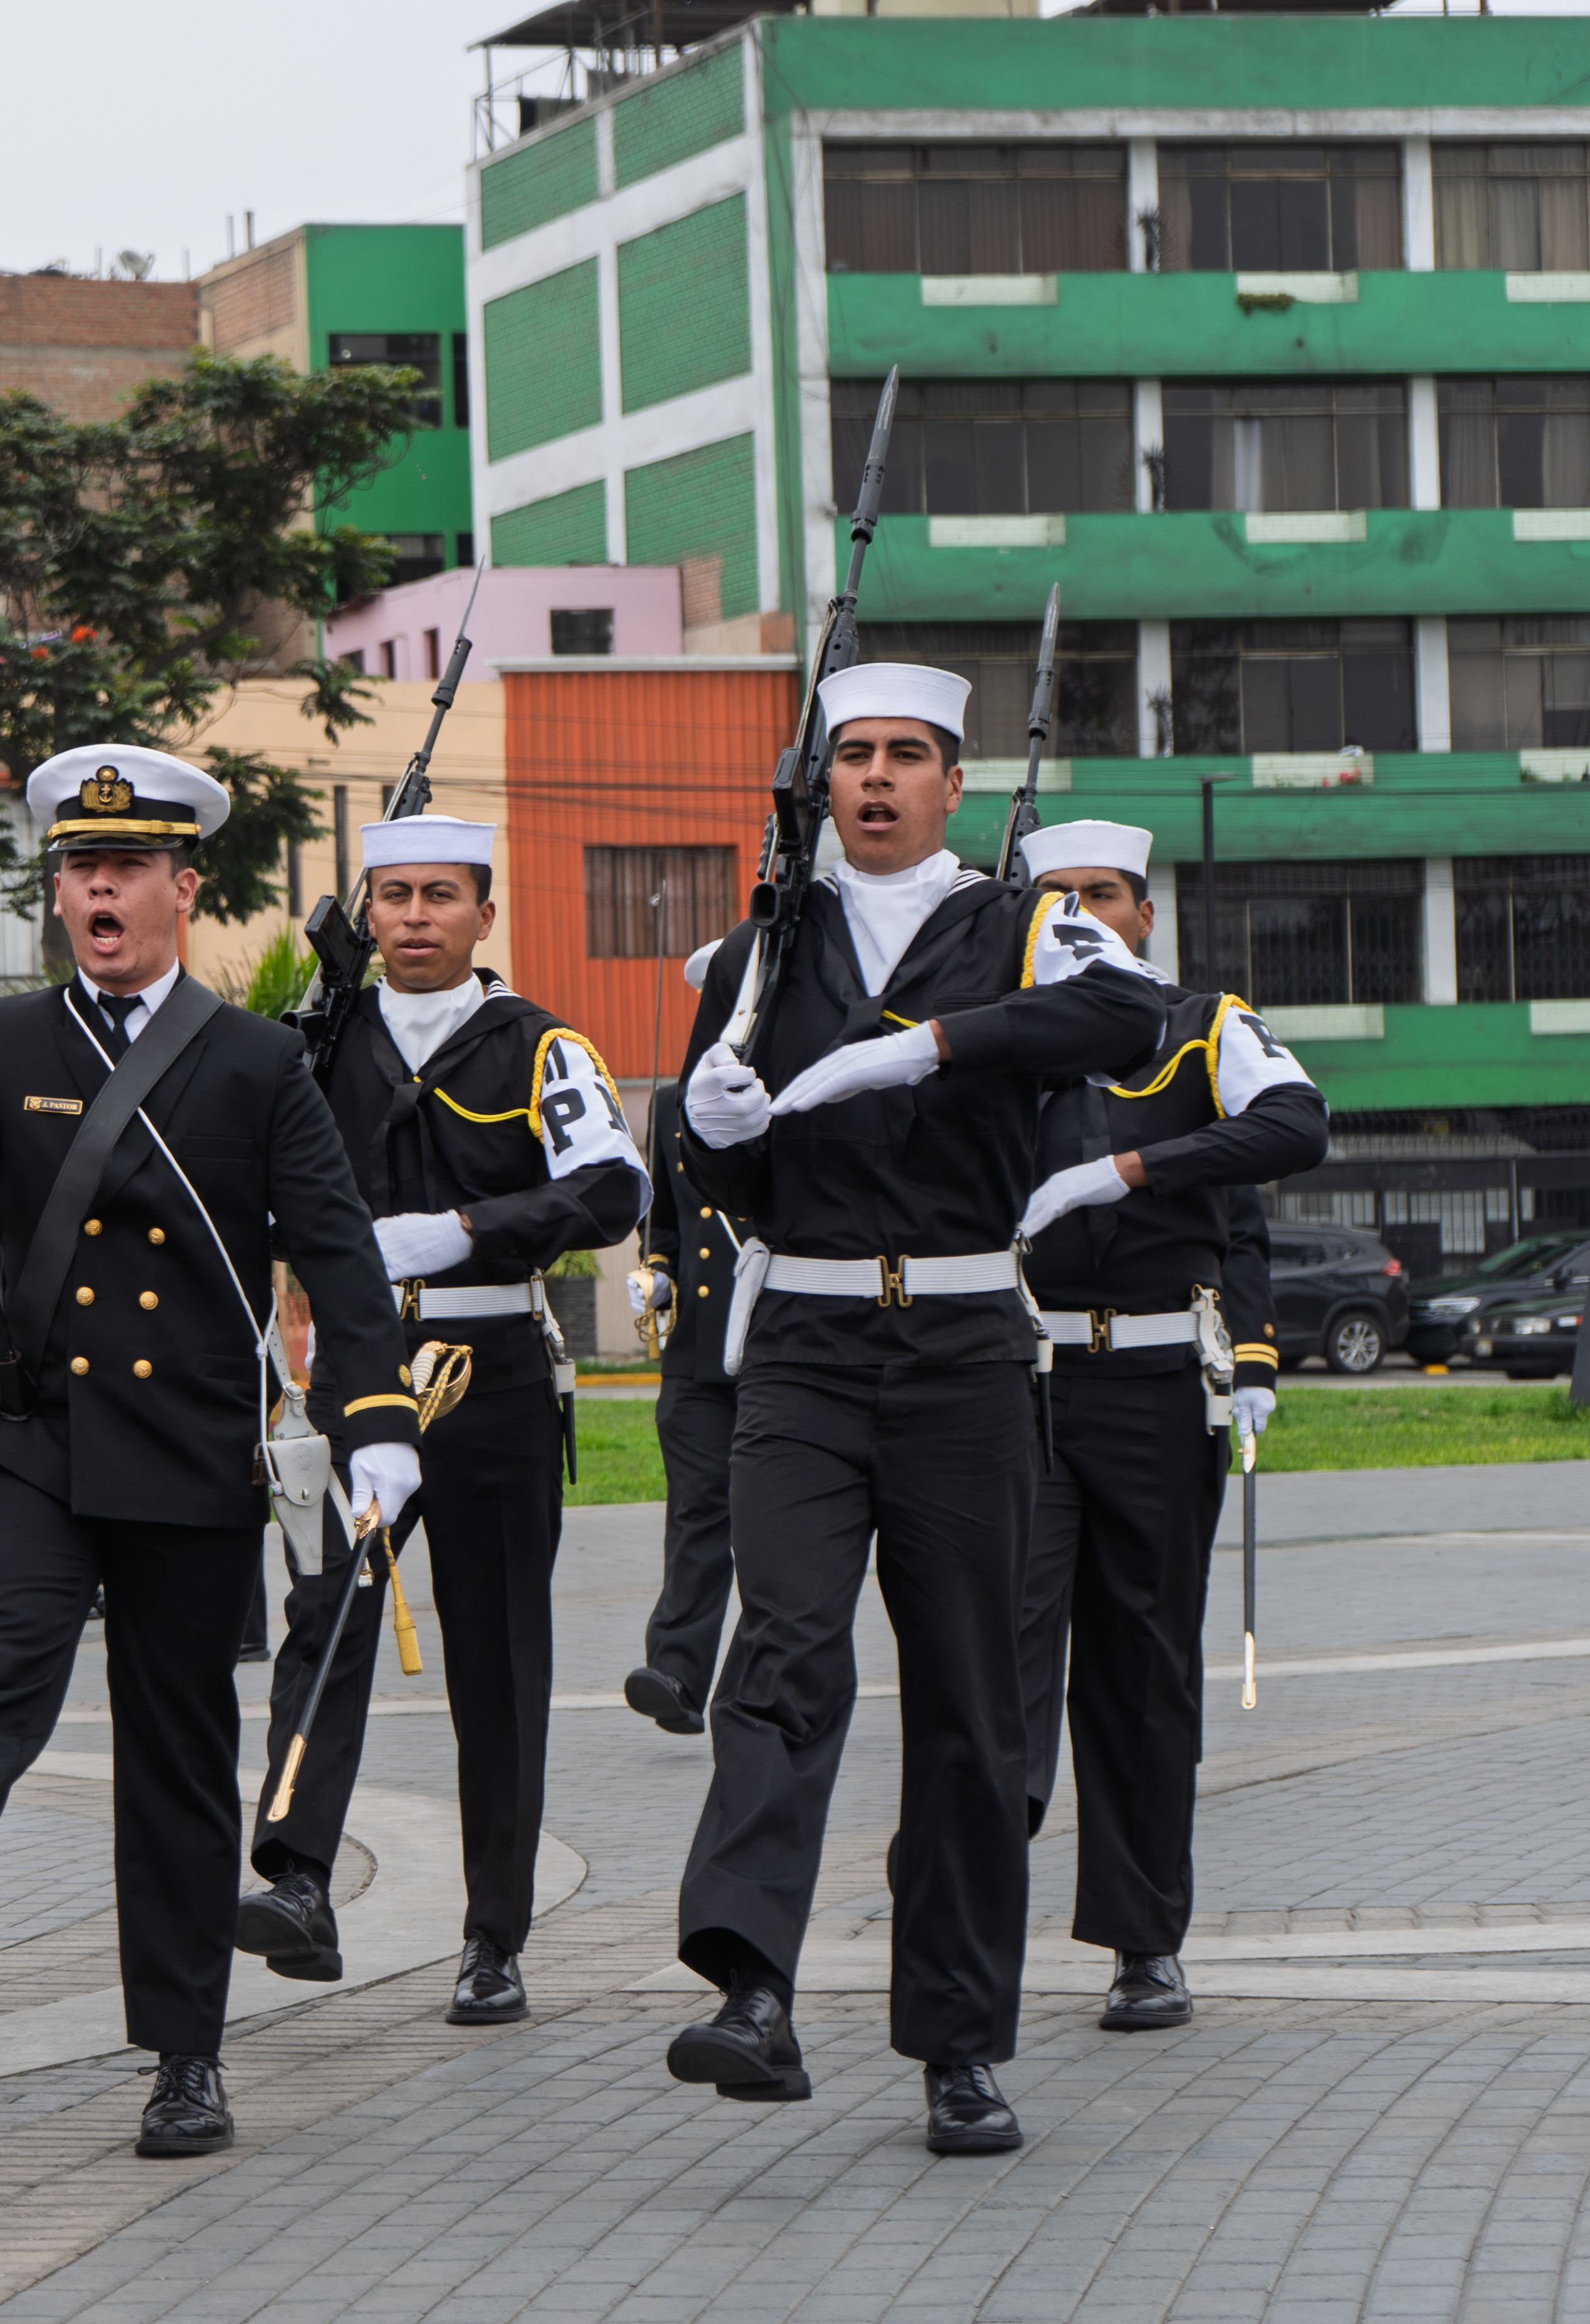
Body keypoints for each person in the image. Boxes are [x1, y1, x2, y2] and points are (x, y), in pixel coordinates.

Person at [0, 744, 423, 2160]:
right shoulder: (2, 1042)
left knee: (180, 1759)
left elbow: (339, 1254)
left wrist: (373, 1423)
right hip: (31, 1425)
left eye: (127, 865)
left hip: (187, 1445)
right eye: (78, 867)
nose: (98, 888)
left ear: (182, 886)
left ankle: (186, 2056)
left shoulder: (258, 1062)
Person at [667, 662, 1162, 2156]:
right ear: (821, 783)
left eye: (908, 755)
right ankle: (751, 1984)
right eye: (853, 755)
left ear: (955, 783)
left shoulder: (1022, 922)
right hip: (808, 1345)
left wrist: (933, 1041)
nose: (875, 777)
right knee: (786, 1652)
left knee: (966, 1701)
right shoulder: (762, 947)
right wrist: (703, 1121)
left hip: (957, 1347)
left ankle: (957, 2042)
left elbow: (1125, 1022)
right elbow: (726, 1161)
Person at [233, 812, 646, 2026]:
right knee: (326, 1621)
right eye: (395, 895)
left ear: (484, 915)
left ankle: (494, 1935)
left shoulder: (538, 1045)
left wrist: (465, 1230)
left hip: (494, 1363)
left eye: (441, 895)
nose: (415, 916)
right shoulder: (317, 1041)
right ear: (367, 913)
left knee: (501, 1662)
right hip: (358, 1358)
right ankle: (299, 1878)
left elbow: (611, 1188)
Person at [1008, 818, 1325, 2032]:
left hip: (1151, 1384)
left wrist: (1249, 1351)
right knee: (1004, 1652)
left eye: (1103, 892)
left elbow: (1252, 1181)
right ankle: (980, 1881)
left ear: (1144, 915)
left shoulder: (1202, 1028)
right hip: (1019, 1380)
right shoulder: (1005, 1042)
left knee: (1143, 1673)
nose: (1081, 910)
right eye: (1056, 895)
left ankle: (1144, 1938)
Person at [627, 1072, 746, 1734]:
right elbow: (665, 1222)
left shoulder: (792, 1084)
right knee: (698, 1508)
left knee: (771, 1524)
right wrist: (659, 1276)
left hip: (781, 1342)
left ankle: (763, 1677)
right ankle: (676, 1671)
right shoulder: (674, 1102)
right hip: (698, 1351)